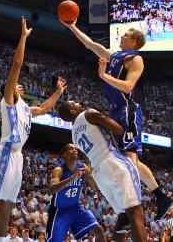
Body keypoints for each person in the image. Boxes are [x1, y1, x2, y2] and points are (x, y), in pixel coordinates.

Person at [61, 18, 173, 223]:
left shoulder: (136, 58)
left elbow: (128, 86)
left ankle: (133, 208)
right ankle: (160, 197)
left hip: (126, 110)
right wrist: (72, 26)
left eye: (126, 35)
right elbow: (89, 44)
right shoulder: (113, 55)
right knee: (127, 160)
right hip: (114, 111)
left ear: (134, 42)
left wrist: (104, 76)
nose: (121, 36)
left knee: (129, 161)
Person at [0, 17, 67, 242]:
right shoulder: (9, 99)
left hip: (18, 157)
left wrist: (58, 93)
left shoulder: (25, 108)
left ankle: (1, 239)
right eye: (16, 84)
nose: (20, 85)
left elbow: (44, 108)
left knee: (9, 202)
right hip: (6, 152)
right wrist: (23, 37)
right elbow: (17, 65)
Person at [58, 101, 147, 242]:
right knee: (135, 212)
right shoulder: (88, 113)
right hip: (112, 160)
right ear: (73, 111)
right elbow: (118, 131)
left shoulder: (74, 135)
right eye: (74, 103)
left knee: (123, 217)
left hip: (99, 172)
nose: (78, 103)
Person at [46, 144, 105, 242]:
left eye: (75, 149)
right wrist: (72, 178)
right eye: (70, 149)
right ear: (64, 154)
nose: (74, 150)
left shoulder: (83, 168)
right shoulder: (59, 170)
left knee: (99, 231)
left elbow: (95, 183)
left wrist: (102, 176)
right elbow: (52, 189)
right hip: (60, 210)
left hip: (76, 207)